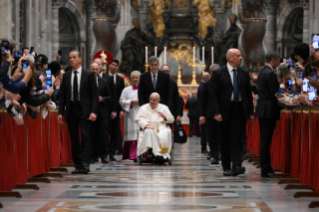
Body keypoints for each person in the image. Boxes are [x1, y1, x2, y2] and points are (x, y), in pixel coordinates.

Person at [208, 48, 254, 176]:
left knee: (237, 138)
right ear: (230, 58)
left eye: (240, 55)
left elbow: (247, 94)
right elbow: (213, 94)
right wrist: (216, 112)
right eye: (238, 56)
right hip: (223, 111)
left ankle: (236, 165)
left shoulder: (244, 73)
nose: (241, 58)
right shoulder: (218, 73)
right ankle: (226, 167)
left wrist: (250, 112)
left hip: (239, 109)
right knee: (224, 139)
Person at [58, 50, 99, 174]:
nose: (71, 60)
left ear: (80, 59)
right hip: (72, 109)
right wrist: (60, 112)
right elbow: (62, 96)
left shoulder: (88, 74)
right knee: (74, 138)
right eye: (70, 58)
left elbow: (94, 95)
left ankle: (86, 164)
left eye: (74, 57)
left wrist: (94, 111)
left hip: (85, 109)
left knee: (86, 137)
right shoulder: (66, 75)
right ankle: (78, 165)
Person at [255, 51, 281, 177]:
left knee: (265, 139)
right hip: (268, 110)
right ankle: (265, 169)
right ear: (274, 60)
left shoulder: (262, 71)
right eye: (278, 60)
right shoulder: (270, 73)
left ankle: (267, 167)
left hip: (262, 109)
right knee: (266, 140)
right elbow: (274, 93)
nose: (279, 63)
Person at [135, 92, 174, 160]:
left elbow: (172, 119)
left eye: (154, 100)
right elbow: (138, 119)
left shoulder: (164, 107)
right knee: (149, 131)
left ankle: (162, 155)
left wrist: (165, 117)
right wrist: (146, 125)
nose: (152, 101)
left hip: (162, 128)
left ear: (159, 100)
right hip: (149, 127)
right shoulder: (143, 108)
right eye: (151, 99)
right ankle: (152, 153)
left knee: (165, 133)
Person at [90, 63, 112, 164]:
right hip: (90, 112)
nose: (94, 71)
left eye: (96, 69)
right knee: (92, 135)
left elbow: (110, 97)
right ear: (90, 70)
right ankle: (93, 156)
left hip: (102, 112)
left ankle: (104, 155)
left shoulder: (104, 82)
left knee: (103, 135)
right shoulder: (86, 81)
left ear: (99, 70)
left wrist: (102, 99)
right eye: (93, 69)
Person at [198, 64, 220, 164]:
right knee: (211, 135)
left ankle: (221, 154)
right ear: (210, 73)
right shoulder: (206, 85)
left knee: (222, 135)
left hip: (222, 114)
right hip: (210, 114)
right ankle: (215, 155)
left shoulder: (224, 83)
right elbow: (202, 101)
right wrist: (202, 114)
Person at [104, 59, 125, 159]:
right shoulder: (104, 77)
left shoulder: (120, 80)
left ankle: (112, 152)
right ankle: (104, 151)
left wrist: (120, 110)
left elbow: (121, 96)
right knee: (104, 131)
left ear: (117, 67)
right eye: (112, 64)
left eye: (116, 65)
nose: (114, 66)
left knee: (114, 131)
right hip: (105, 107)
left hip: (115, 108)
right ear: (109, 65)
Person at [119, 71, 141, 161]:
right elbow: (121, 101)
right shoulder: (126, 90)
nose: (135, 79)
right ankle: (131, 154)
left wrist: (140, 100)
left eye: (137, 77)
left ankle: (140, 154)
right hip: (130, 115)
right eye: (133, 78)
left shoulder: (144, 89)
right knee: (131, 134)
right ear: (131, 79)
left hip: (141, 113)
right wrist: (130, 102)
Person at [197, 72, 210, 153]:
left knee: (204, 130)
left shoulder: (201, 85)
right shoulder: (204, 86)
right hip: (205, 111)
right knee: (205, 130)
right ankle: (204, 146)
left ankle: (204, 146)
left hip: (202, 110)